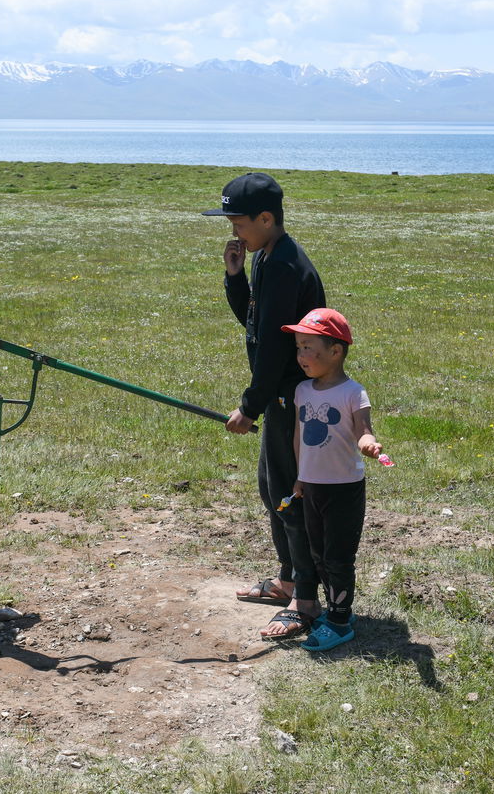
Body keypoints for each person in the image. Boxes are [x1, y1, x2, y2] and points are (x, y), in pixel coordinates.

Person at [202, 172, 326, 639]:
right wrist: (235, 278)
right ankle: (288, 578)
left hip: (292, 397)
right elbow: (255, 322)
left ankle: (306, 600)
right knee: (270, 489)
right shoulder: (265, 257)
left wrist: (249, 406)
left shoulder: (283, 266)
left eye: (238, 222)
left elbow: (275, 349)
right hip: (279, 395)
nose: (233, 231)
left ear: (267, 218)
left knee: (290, 496)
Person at [281, 308, 380, 651]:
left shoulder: (353, 392)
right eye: (298, 347)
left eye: (309, 347)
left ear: (335, 351)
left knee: (338, 556)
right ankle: (338, 611)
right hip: (313, 485)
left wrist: (367, 442)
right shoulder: (303, 390)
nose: (301, 356)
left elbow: (363, 430)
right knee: (319, 554)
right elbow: (299, 436)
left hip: (343, 489)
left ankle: (340, 621)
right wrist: (299, 476)